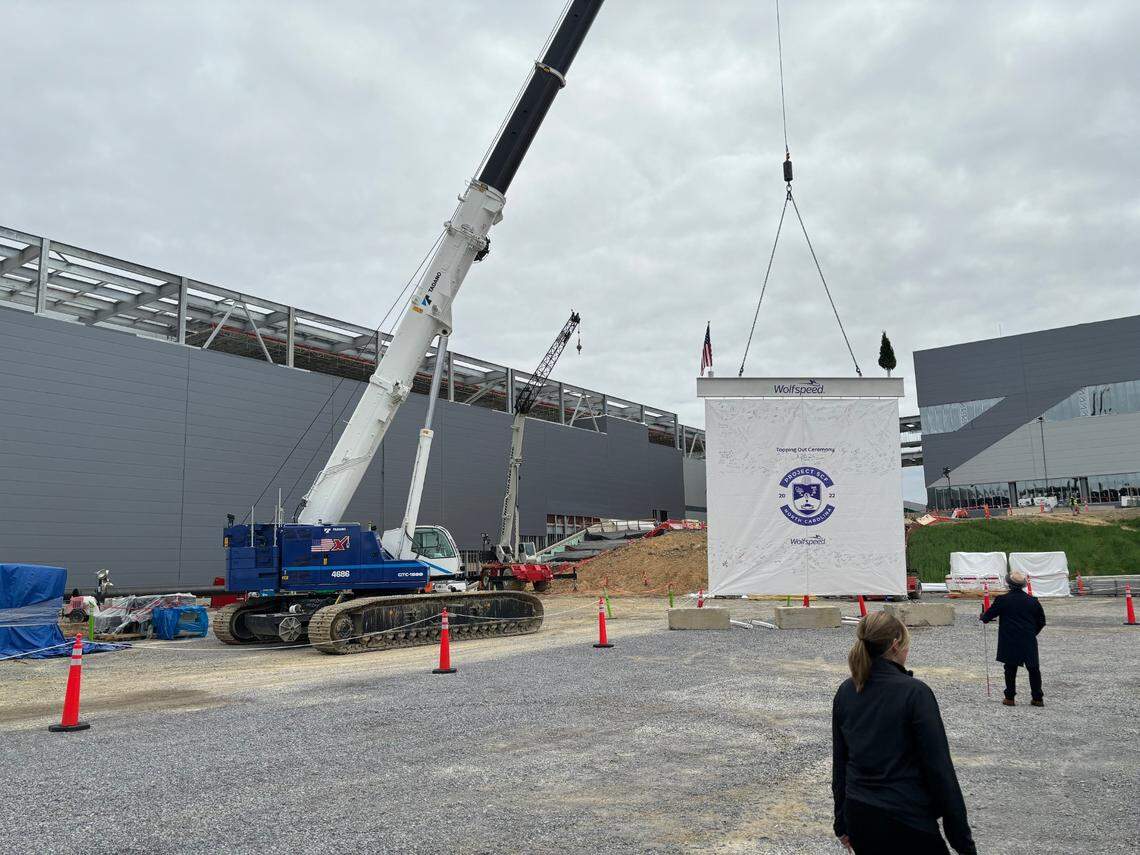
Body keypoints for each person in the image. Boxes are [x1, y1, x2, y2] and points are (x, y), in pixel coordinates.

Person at [832, 612, 976, 854]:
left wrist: (842, 822)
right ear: (895, 645)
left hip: (860, 816)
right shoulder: (915, 694)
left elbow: (841, 762)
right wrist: (962, 842)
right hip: (907, 819)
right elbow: (940, 770)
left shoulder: (847, 691)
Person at [980, 569, 1046, 706]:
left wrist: (983, 616)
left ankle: (1010, 697)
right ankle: (1037, 697)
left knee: (1010, 668)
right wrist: (1033, 632)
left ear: (1009, 584)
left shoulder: (1002, 600)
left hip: (1009, 638)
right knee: (1033, 668)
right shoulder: (1033, 601)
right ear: (1023, 585)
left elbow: (987, 617)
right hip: (1028, 638)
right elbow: (1042, 621)